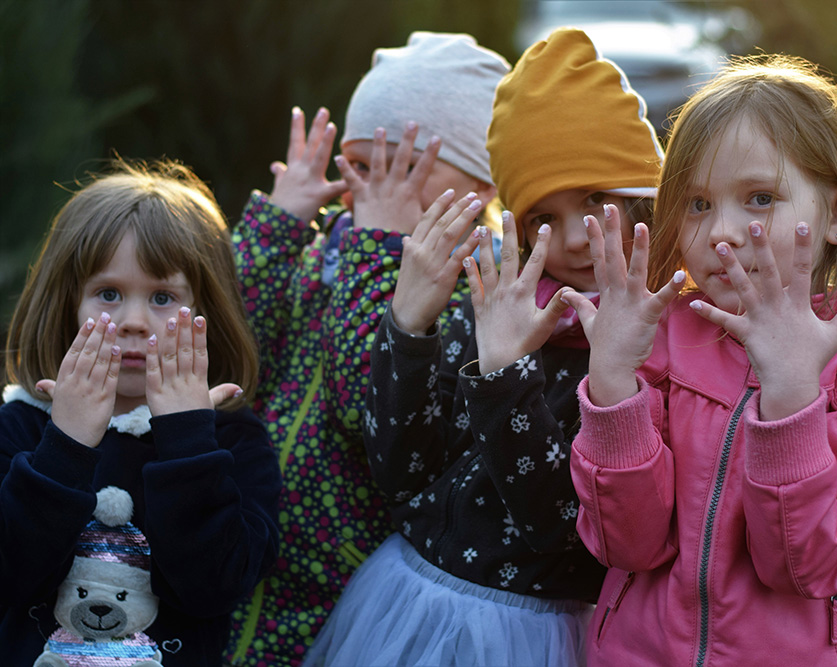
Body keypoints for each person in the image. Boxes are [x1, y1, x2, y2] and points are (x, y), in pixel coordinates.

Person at [563, 54, 837, 666]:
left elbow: (804, 563)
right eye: (696, 204)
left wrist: (791, 395)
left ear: (836, 216)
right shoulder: (659, 335)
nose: (723, 232)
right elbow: (626, 543)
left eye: (760, 197)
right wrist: (610, 384)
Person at [303, 28, 666, 667]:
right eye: (542, 219)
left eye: (594, 198)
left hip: (528, 636)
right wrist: (408, 327)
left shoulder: (656, 345)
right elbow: (402, 475)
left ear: (647, 199)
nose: (574, 238)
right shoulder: (497, 302)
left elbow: (561, 529)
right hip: (402, 606)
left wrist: (505, 376)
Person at [225, 32, 510, 666]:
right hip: (240, 561)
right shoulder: (325, 257)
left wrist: (378, 253)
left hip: (339, 599)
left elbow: (364, 403)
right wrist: (279, 227)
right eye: (356, 164)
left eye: (401, 165)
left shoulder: (473, 296)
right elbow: (229, 360)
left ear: (484, 187)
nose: (365, 188)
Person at [0, 159, 281, 665]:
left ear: (206, 312)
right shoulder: (22, 423)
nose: (132, 321)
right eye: (108, 294)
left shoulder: (234, 439)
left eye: (162, 296)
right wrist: (64, 445)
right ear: (67, 304)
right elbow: (9, 577)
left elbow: (214, 588)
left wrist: (188, 442)